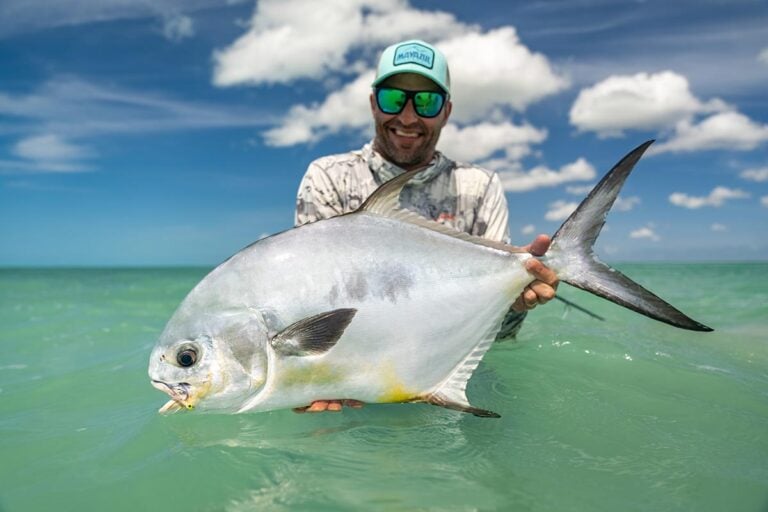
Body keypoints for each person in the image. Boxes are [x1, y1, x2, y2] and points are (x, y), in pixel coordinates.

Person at [293, 40, 559, 413]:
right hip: (351, 389)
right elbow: (315, 305)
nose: (407, 117)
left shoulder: (479, 187)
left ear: (446, 111)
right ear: (373, 103)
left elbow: (500, 335)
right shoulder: (329, 178)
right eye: (393, 99)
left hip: (451, 382)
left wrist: (515, 299)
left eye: (426, 102)